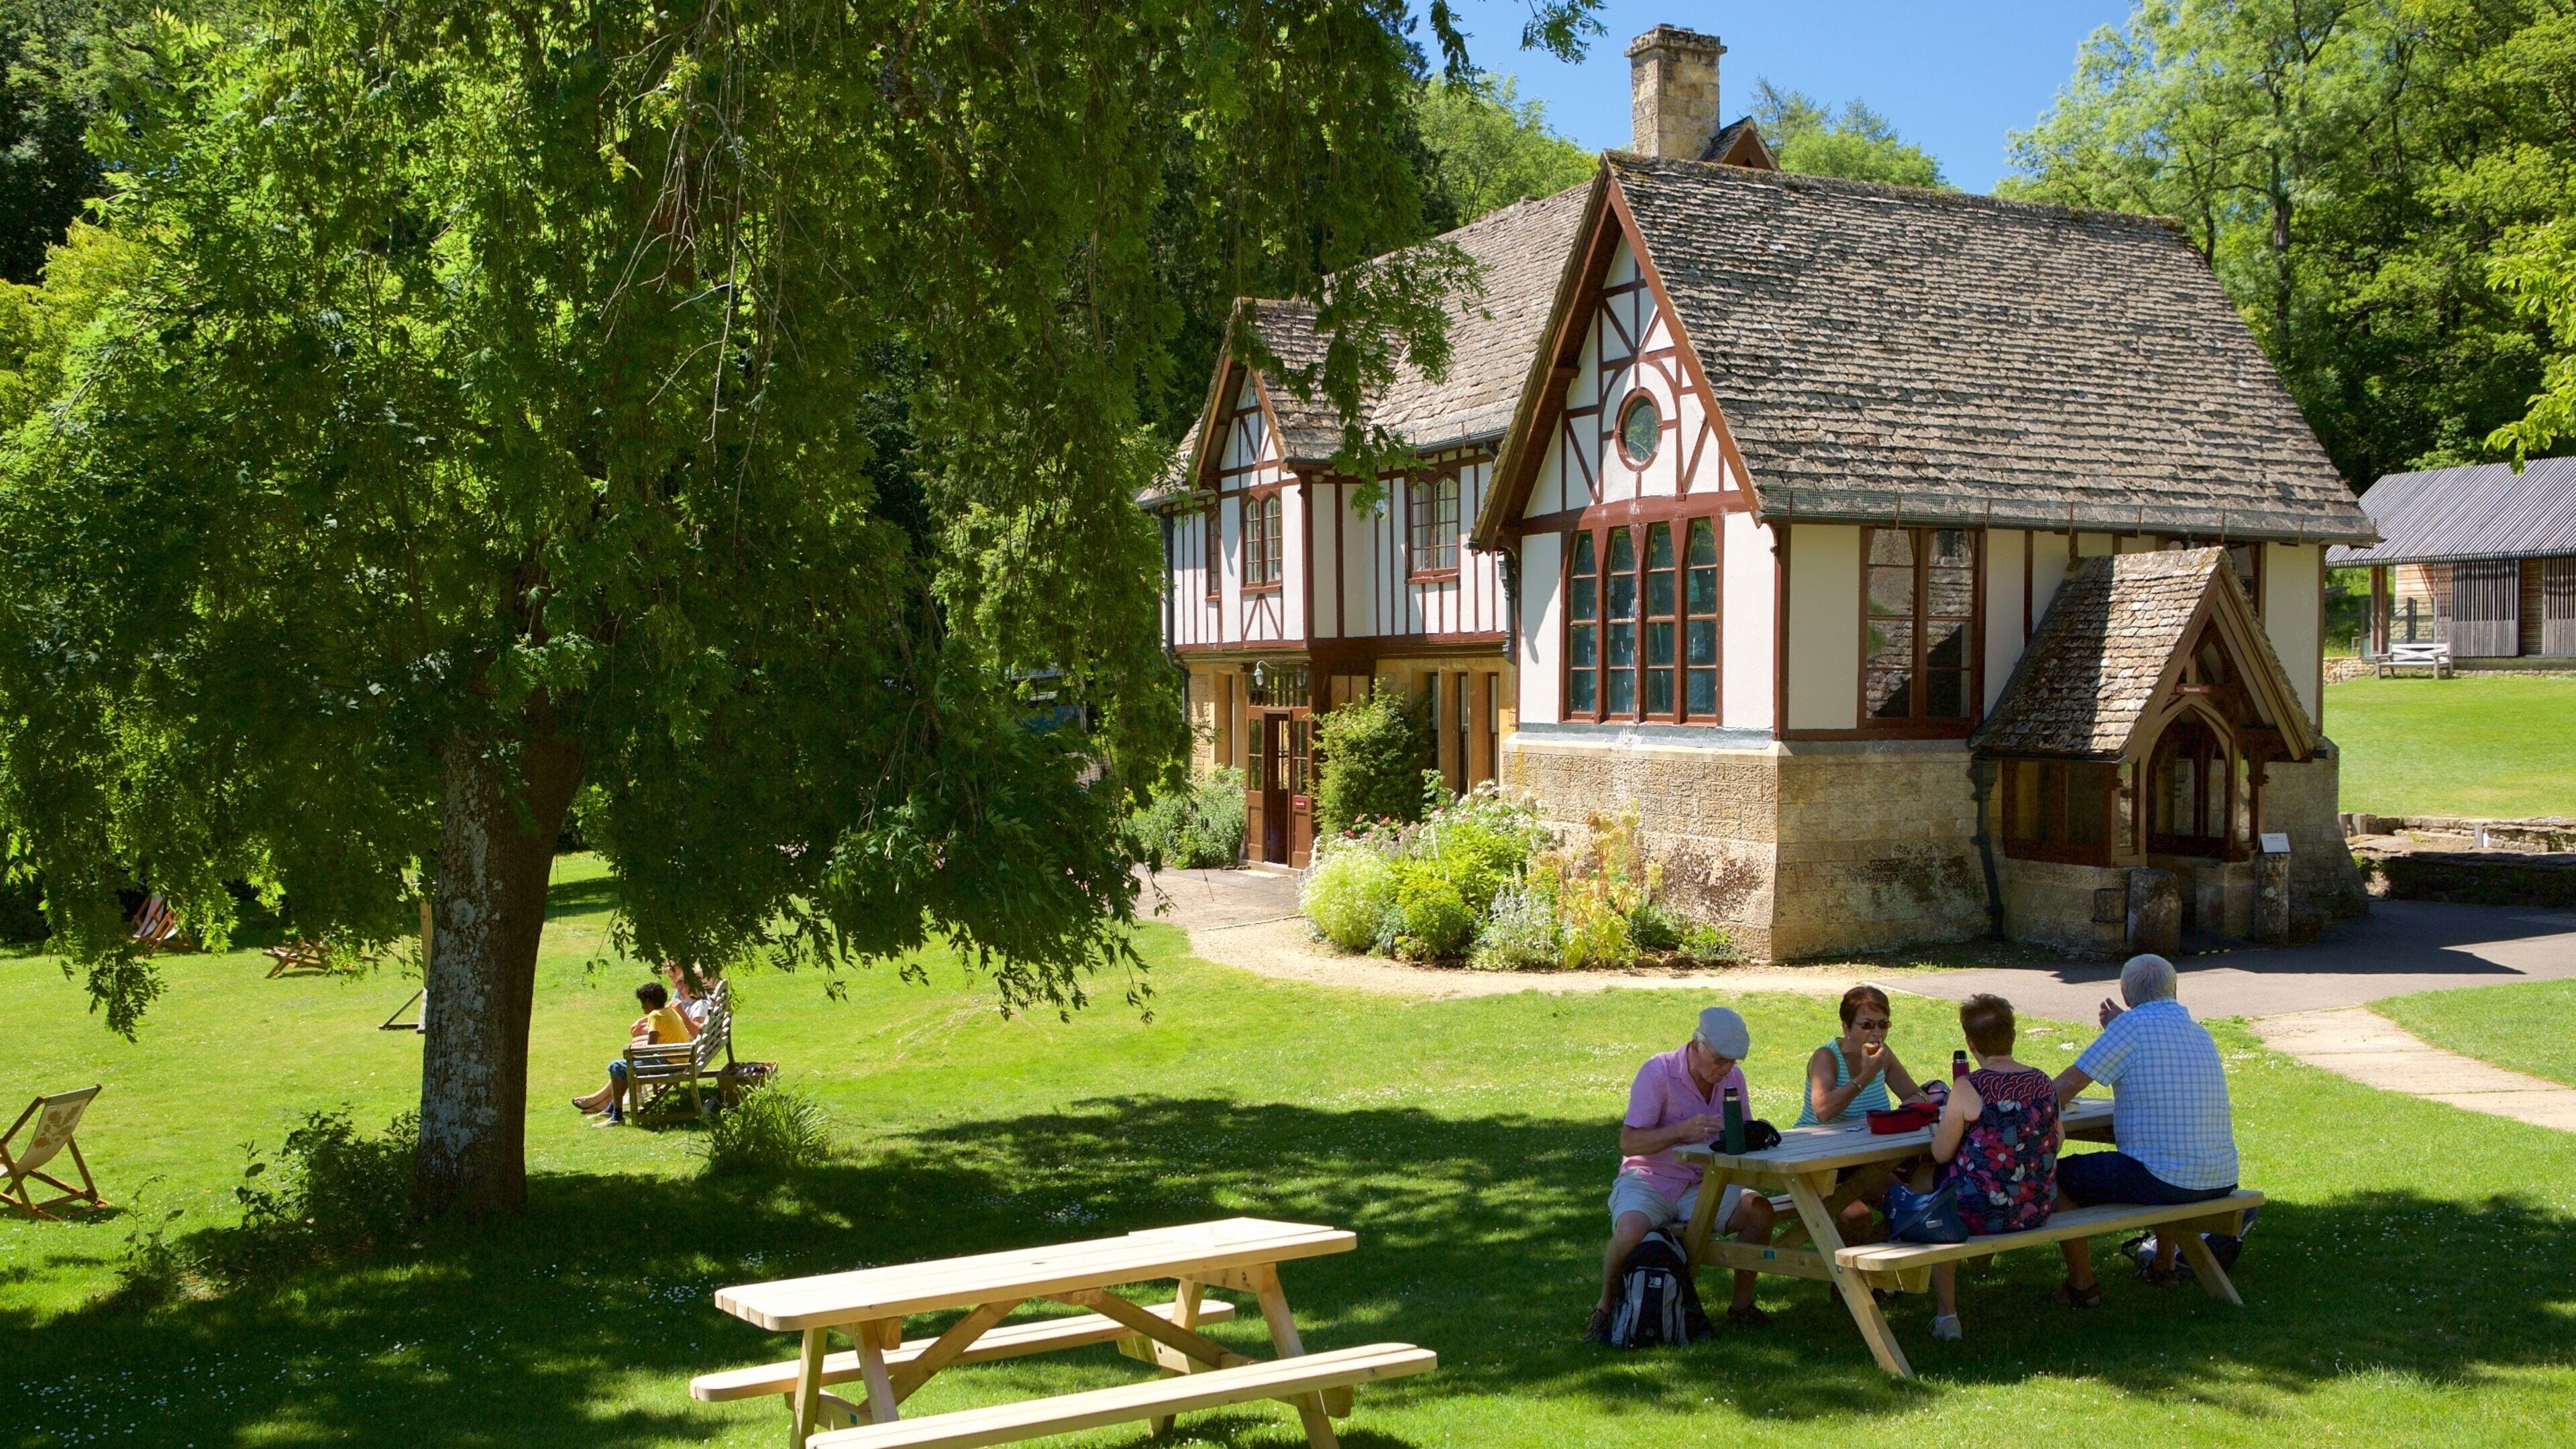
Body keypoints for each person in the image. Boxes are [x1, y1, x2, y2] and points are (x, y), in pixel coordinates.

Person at [2048, 953, 2239, 1304]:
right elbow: (2149, 1039)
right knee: (2162, 1155)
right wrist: (2123, 1026)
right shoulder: (2198, 1031)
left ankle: (2082, 1285)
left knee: (2054, 1175)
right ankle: (2163, 1267)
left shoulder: (2130, 1028)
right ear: (2175, 989)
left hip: (2167, 1180)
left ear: (2124, 994)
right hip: (2220, 1176)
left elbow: (2063, 1088)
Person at [1587, 1006, 1777, 1343]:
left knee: (1759, 1212)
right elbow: (1629, 1143)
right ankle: (1603, 1310)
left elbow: (1743, 1131)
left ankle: (1742, 1306)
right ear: (1696, 1045)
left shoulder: (1733, 1078)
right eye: (1720, 1060)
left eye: (1734, 1062)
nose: (1726, 1069)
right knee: (1630, 1231)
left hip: (1704, 1182)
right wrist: (1680, 1131)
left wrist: (1746, 1135)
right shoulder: (1658, 1072)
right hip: (1650, 1178)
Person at [1919, 993, 2059, 1340]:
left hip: (1981, 1212)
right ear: (2013, 1034)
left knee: (1929, 1186)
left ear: (1970, 1042)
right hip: (2035, 1206)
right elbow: (2058, 1139)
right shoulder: (2043, 1082)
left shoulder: (1969, 1087)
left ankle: (1946, 1314)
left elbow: (1940, 1153)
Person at [1796, 983, 1927, 1126]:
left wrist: (1905, 1109)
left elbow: (1917, 1095)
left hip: (1866, 1142)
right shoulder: (1827, 1056)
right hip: (1816, 1144)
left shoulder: (1883, 1055)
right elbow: (1823, 1111)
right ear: (1847, 1028)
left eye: (1883, 1024)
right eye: (1867, 1025)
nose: (1877, 1033)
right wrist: (1866, 1076)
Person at [572, 981, 696, 1124]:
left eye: (643, 1002)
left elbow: (650, 1048)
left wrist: (635, 1051)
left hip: (669, 1063)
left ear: (649, 1002)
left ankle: (617, 1117)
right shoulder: (670, 1012)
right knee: (623, 1067)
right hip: (679, 1060)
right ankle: (610, 1111)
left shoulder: (655, 1016)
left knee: (617, 1067)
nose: (642, 1006)